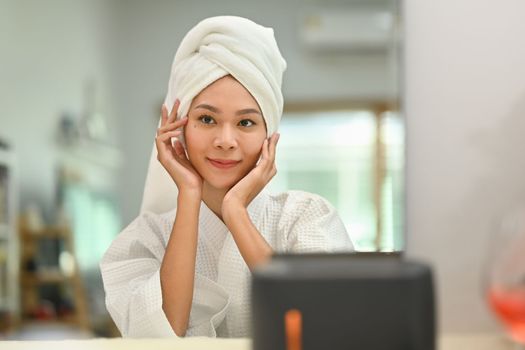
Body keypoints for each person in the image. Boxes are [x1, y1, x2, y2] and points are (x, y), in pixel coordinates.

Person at [100, 16, 353, 339]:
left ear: (269, 135)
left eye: (246, 123)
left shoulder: (306, 218)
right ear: (179, 129)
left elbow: (317, 325)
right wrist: (188, 195)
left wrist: (236, 213)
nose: (225, 140)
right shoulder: (145, 238)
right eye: (207, 119)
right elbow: (161, 336)